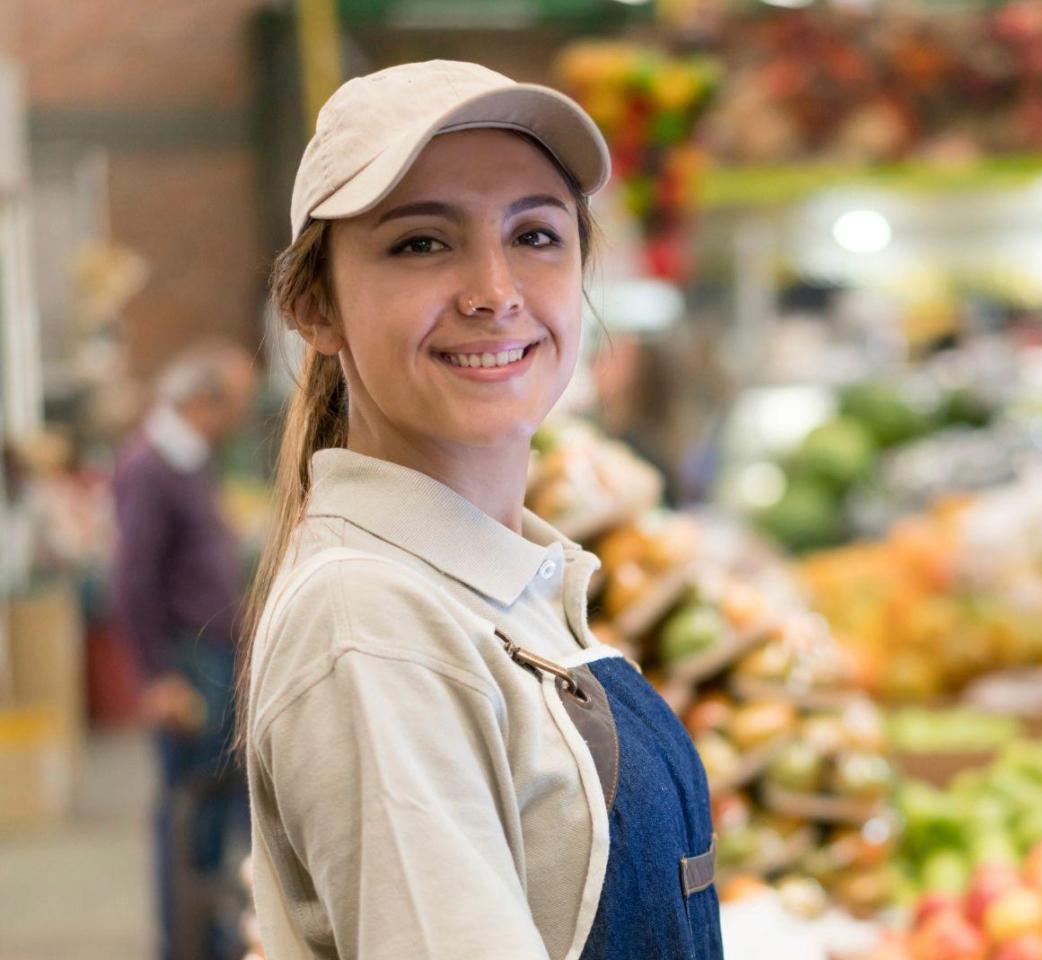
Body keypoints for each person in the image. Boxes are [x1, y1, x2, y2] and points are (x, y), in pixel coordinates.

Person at [240, 60, 722, 959]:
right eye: (422, 243)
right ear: (315, 307)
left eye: (536, 235)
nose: (495, 290)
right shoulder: (374, 620)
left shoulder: (508, 584)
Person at [110, 338, 258, 960]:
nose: (237, 423)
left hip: (210, 654)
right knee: (192, 807)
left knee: (214, 807)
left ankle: (212, 937)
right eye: (234, 408)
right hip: (188, 662)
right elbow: (134, 577)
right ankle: (189, 945)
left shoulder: (185, 461)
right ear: (204, 401)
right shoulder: (153, 466)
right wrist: (156, 675)